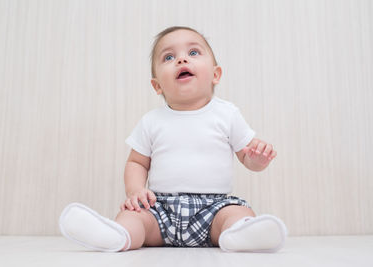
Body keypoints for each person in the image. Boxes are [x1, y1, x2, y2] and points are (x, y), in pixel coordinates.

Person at [59, 26, 287, 253]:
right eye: (169, 57)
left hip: (214, 208)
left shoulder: (228, 114)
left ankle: (240, 234)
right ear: (157, 85)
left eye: (193, 53)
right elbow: (137, 163)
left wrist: (258, 159)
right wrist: (135, 191)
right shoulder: (151, 121)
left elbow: (247, 158)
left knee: (237, 213)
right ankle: (118, 235)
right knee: (134, 216)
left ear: (215, 75)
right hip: (159, 210)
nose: (181, 60)